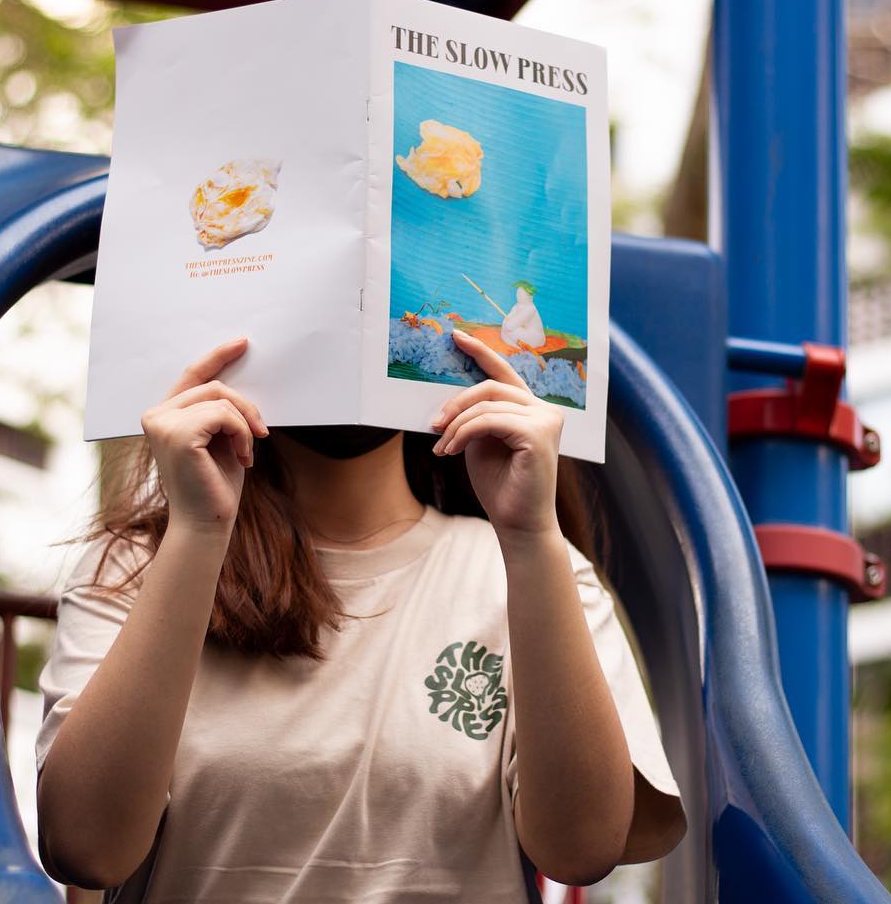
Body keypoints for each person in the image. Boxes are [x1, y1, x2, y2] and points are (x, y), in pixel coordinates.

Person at [34, 330, 686, 903]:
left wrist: (531, 536)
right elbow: (85, 847)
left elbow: (581, 849)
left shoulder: (531, 566)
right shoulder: (138, 564)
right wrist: (198, 533)